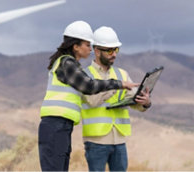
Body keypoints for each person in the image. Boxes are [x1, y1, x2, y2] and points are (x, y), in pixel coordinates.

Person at [38, 21, 138, 171]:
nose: (90, 49)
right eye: (87, 45)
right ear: (75, 46)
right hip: (55, 125)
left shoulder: (68, 64)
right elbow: (89, 86)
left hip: (61, 125)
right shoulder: (66, 63)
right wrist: (119, 84)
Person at [81, 26, 152, 171]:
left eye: (116, 50)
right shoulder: (85, 75)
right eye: (109, 50)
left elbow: (133, 101)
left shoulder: (122, 74)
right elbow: (93, 100)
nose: (114, 54)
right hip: (96, 141)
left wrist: (145, 103)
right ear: (97, 50)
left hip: (119, 140)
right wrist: (117, 86)